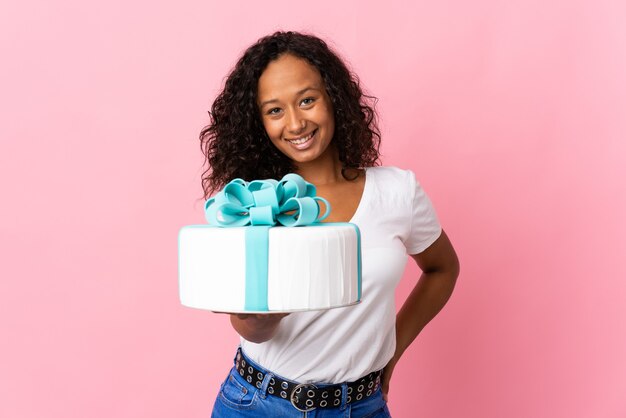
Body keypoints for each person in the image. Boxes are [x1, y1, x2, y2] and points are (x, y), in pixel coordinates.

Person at [199, 31, 459, 417]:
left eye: (307, 100)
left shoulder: (397, 192)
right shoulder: (253, 204)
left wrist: (393, 351)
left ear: (333, 98)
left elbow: (443, 268)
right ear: (259, 123)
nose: (296, 123)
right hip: (258, 404)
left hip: (362, 406)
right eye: (275, 110)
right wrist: (262, 318)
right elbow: (251, 329)